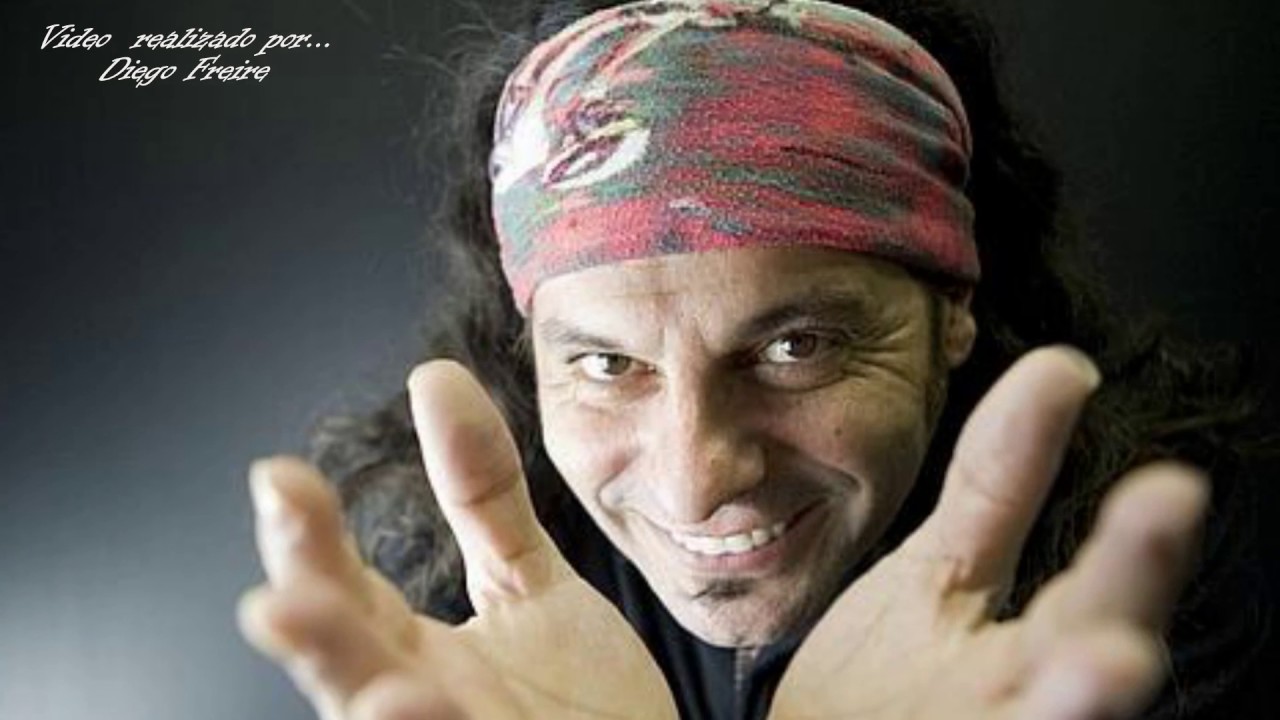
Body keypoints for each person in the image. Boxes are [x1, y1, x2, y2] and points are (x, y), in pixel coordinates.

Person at [236, 1, 1269, 718]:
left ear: (953, 306)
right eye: (606, 365)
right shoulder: (447, 603)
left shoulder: (1150, 586)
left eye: (794, 347)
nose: (697, 480)